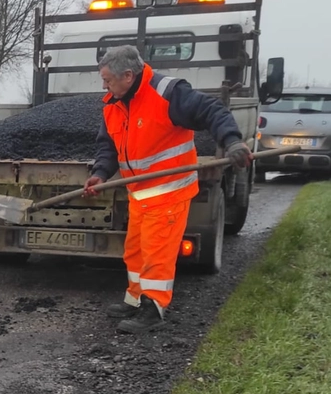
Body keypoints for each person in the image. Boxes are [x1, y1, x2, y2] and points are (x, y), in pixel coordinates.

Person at [83, 45, 252, 334]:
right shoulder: (114, 103)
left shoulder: (168, 93)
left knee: (156, 254)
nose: (104, 85)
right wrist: (100, 174)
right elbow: (108, 145)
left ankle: (153, 310)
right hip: (140, 194)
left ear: (128, 75)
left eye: (107, 79)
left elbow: (212, 110)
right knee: (135, 252)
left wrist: (233, 141)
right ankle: (135, 299)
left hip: (168, 193)